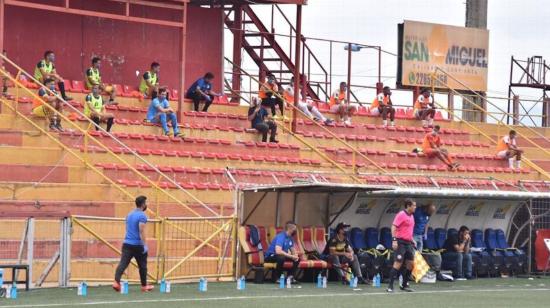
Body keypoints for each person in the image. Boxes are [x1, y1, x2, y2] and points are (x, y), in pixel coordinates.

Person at [113, 196, 154, 292]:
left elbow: (127, 228)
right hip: (138, 245)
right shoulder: (142, 216)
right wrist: (144, 245)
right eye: (146, 203)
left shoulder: (129, 214)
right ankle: (144, 286)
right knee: (142, 266)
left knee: (123, 263)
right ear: (143, 204)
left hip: (127, 243)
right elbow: (141, 230)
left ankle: (116, 282)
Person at [387, 198, 416, 293]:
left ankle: (404, 284)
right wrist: (394, 240)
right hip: (400, 242)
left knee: (410, 265)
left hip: (408, 243)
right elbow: (394, 227)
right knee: (398, 264)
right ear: (408, 206)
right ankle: (390, 286)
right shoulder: (401, 215)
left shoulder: (412, 216)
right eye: (413, 206)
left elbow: (408, 230)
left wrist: (412, 240)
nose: (415, 207)